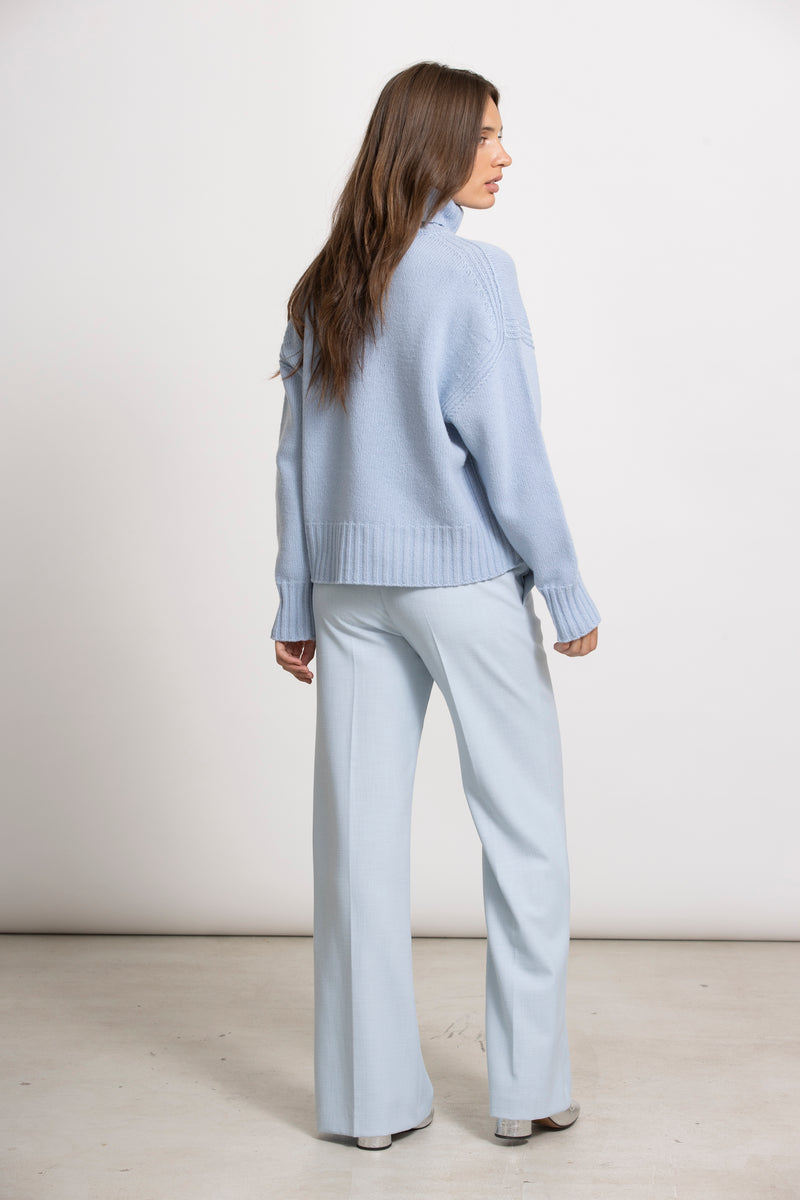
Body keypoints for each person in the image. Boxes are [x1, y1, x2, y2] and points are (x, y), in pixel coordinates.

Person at [270, 61, 600, 1150]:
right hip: (460, 582)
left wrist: (294, 599)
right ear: (433, 145)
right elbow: (510, 451)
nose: (504, 155)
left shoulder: (324, 282)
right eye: (486, 136)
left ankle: (369, 1106)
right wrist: (562, 586)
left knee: (354, 849)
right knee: (523, 831)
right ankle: (526, 1091)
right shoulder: (474, 277)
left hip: (347, 589)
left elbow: (295, 458)